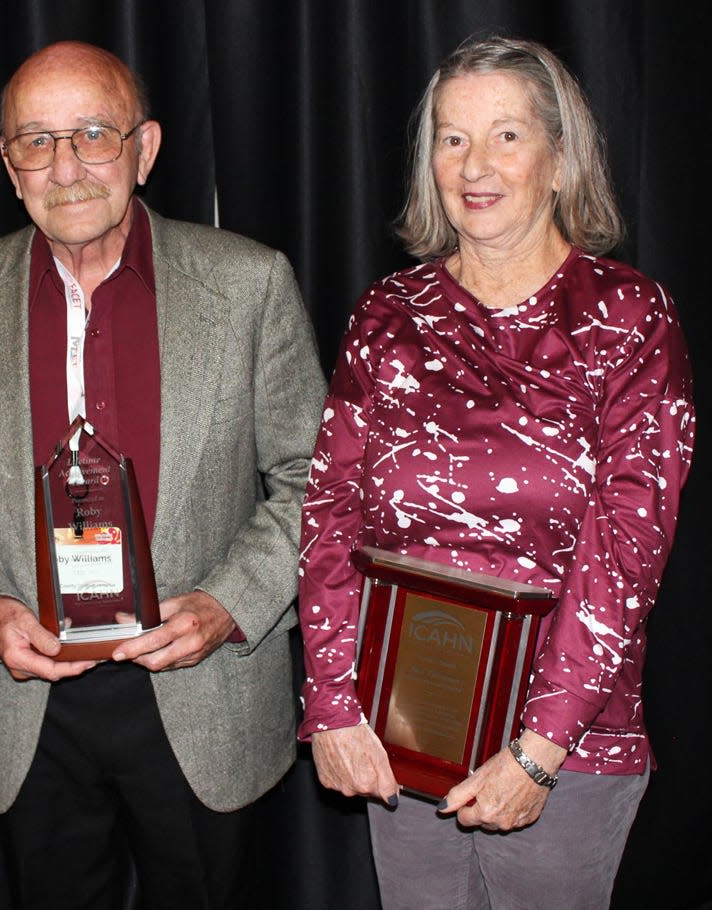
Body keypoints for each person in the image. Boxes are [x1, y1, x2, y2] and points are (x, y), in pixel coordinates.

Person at [0, 40, 324, 910]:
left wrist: (227, 607)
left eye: (94, 133)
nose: (66, 167)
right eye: (37, 140)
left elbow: (308, 479)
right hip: (34, 699)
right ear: (8, 164)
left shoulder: (249, 284)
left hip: (199, 687)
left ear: (146, 148)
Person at [298, 34, 695, 910]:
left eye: (507, 136)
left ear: (560, 158)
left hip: (568, 748)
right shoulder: (386, 315)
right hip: (400, 732)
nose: (475, 165)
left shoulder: (628, 316)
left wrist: (538, 751)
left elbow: (628, 547)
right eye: (451, 138)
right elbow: (330, 512)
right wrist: (330, 703)